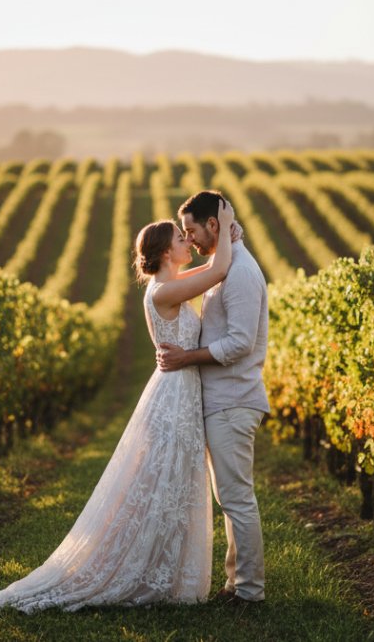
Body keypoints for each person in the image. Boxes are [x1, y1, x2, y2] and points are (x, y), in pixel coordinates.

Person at [0, 199, 237, 613]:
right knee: (162, 484)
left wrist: (228, 237)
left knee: (172, 485)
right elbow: (220, 270)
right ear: (163, 252)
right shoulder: (166, 291)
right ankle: (146, 573)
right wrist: (224, 224)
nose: (187, 240)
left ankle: (166, 572)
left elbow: (210, 270)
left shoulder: (170, 283)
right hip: (173, 396)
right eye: (179, 237)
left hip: (179, 391)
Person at [157, 190, 270, 605]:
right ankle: (234, 584)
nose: (192, 240)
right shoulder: (226, 264)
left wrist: (187, 357)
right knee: (229, 499)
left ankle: (250, 592)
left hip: (234, 400)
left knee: (238, 500)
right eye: (183, 233)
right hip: (222, 400)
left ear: (214, 225)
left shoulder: (239, 272)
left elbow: (240, 342)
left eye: (192, 230)